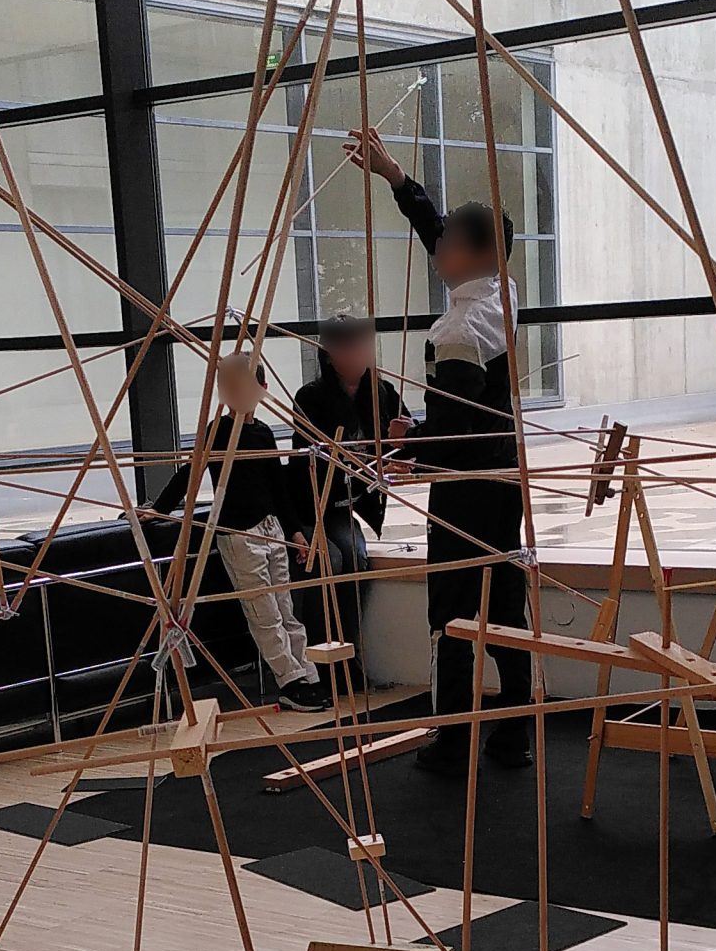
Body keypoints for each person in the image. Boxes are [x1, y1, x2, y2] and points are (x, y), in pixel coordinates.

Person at [343, 127, 533, 774]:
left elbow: (459, 428)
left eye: (446, 242)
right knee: (505, 609)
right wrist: (397, 179)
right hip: (506, 477)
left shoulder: (457, 328)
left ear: (470, 254)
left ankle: (452, 743)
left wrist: (411, 442)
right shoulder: (501, 292)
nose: (436, 248)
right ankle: (514, 736)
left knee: (451, 614)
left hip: (468, 485)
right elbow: (474, 420)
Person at [147, 350, 328, 712]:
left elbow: (277, 487)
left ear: (261, 388)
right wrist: (159, 509)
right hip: (238, 533)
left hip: (270, 529)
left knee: (286, 608)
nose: (232, 391)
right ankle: (288, 680)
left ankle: (306, 673)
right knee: (264, 612)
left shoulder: (263, 434)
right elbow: (191, 471)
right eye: (225, 386)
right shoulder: (218, 432)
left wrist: (294, 533)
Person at [287, 313, 404, 660]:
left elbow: (403, 435)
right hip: (311, 503)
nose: (357, 353)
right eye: (348, 346)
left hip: (345, 503)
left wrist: (399, 452)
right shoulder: (310, 397)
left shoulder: (382, 391)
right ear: (329, 353)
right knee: (329, 560)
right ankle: (321, 655)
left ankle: (347, 652)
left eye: (362, 345)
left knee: (355, 556)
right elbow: (309, 458)